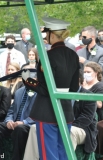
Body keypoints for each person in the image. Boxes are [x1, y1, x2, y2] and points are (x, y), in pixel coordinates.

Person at [22, 17, 80, 160]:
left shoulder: (47, 56)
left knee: (48, 154)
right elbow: (74, 87)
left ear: (52, 35)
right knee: (63, 151)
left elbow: (45, 88)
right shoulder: (73, 55)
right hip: (65, 109)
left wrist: (27, 80)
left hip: (46, 110)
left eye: (47, 33)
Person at [0, 85, 37, 160]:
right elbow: (11, 110)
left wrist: (24, 122)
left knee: (20, 129)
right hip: (14, 123)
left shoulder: (40, 92)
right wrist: (9, 121)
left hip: (28, 125)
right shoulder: (19, 91)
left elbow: (40, 114)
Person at [70, 69, 97, 153]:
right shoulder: (61, 93)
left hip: (83, 128)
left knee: (70, 131)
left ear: (79, 79)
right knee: (35, 128)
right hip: (60, 124)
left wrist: (67, 126)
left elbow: (86, 118)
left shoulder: (88, 96)